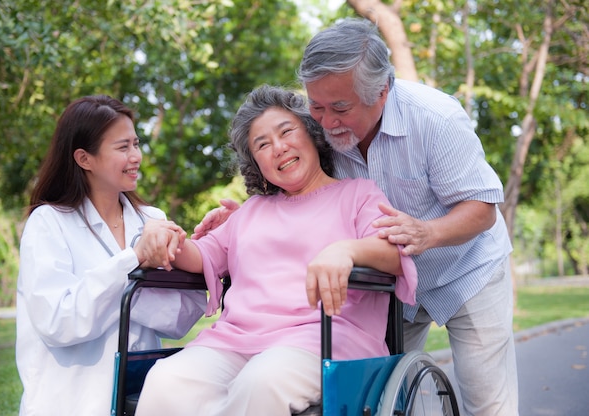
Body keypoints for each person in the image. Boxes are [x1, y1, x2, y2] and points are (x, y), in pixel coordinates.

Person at [195, 19, 517, 416]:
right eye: (316, 106)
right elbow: (306, 191)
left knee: (488, 405)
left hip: (465, 269)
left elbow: (483, 208)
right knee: (381, 398)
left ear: (381, 92)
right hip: (388, 279)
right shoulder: (321, 121)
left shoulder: (435, 119)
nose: (326, 123)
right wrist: (248, 218)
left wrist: (426, 232)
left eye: (341, 109)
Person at [135, 85, 417, 416]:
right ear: (256, 162)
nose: (279, 148)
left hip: (323, 341)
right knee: (166, 380)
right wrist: (162, 235)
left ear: (312, 135)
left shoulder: (359, 195)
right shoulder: (250, 210)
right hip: (236, 340)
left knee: (261, 381)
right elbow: (202, 254)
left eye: (287, 133)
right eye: (263, 145)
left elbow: (393, 253)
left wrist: (346, 250)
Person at [15, 95, 207, 416]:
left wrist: (130, 288)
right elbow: (59, 322)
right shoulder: (48, 223)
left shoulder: (152, 220)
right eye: (122, 147)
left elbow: (183, 316)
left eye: (136, 143)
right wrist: (133, 261)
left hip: (140, 398)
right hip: (70, 401)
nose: (136, 157)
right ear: (84, 158)